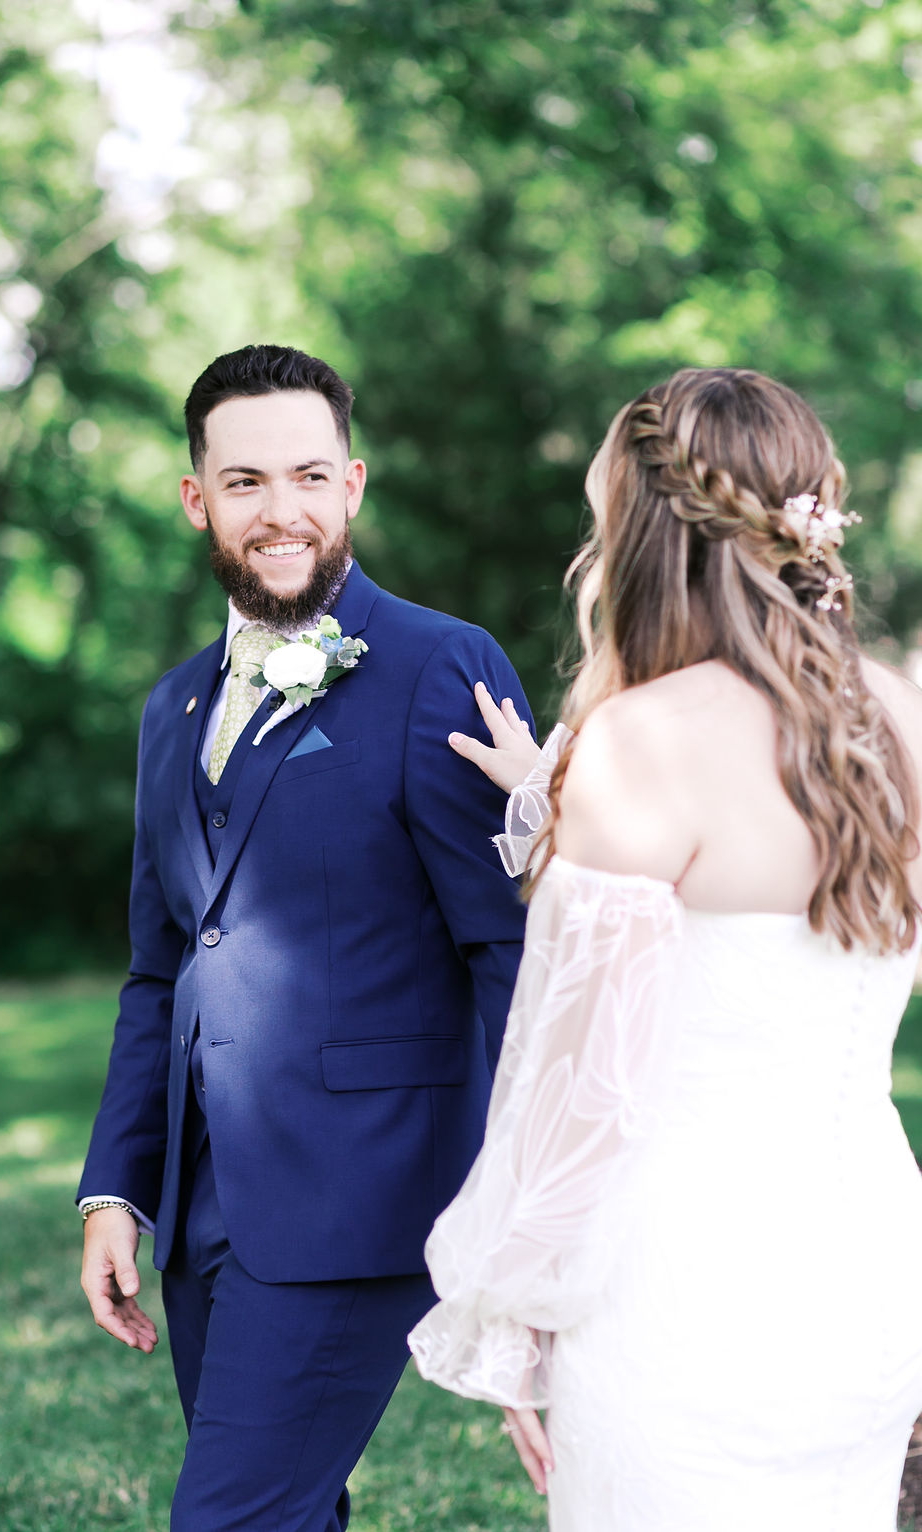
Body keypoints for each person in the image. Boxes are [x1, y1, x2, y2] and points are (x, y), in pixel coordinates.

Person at [408, 366, 922, 1529]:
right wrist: (546, 787)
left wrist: (516, 1319)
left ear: (639, 535)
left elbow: (575, 1088)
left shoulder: (638, 744)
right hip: (875, 1272)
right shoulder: (899, 718)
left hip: (683, 1299)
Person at [77, 344, 533, 1532]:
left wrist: (516, 1203)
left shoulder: (443, 666)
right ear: (197, 499)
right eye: (244, 482)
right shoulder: (169, 709)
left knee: (230, 1519)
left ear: (354, 485)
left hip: (365, 1198)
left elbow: (514, 952)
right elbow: (160, 965)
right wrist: (117, 1189)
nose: (282, 510)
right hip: (204, 1206)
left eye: (308, 476)